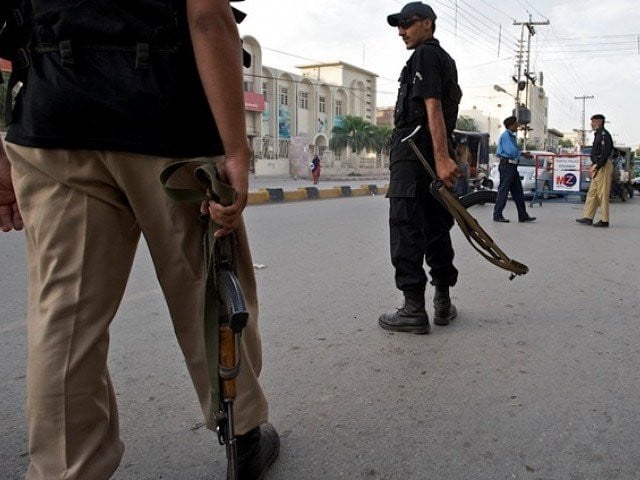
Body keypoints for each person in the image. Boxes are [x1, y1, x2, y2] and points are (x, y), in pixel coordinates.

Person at [0, 1, 278, 479]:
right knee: (205, 290)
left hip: (54, 118)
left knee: (65, 316)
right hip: (168, 119)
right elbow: (208, 17)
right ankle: (243, 433)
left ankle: (66, 470)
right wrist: (235, 149)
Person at [378, 2, 461, 335]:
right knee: (436, 225)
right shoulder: (444, 60)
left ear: (427, 24)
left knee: (406, 224)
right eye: (398, 25)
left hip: (414, 152)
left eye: (407, 24)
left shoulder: (425, 54)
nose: (401, 31)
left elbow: (433, 104)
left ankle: (413, 308)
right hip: (428, 152)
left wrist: (441, 158)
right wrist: (443, 156)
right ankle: (442, 301)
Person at [492, 116, 536, 223]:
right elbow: (511, 151)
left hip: (512, 167)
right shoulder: (506, 136)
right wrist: (522, 154)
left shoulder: (511, 136)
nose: (518, 126)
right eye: (516, 124)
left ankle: (523, 215)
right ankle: (497, 215)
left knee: (518, 192)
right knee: (503, 191)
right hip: (507, 166)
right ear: (511, 125)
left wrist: (521, 154)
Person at [576, 114, 614, 227]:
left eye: (593, 121)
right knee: (592, 193)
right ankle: (588, 217)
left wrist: (597, 166)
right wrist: (594, 165)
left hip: (603, 166)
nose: (591, 124)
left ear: (599, 121)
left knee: (602, 194)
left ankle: (604, 220)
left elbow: (605, 153)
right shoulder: (597, 134)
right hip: (597, 166)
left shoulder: (604, 135)